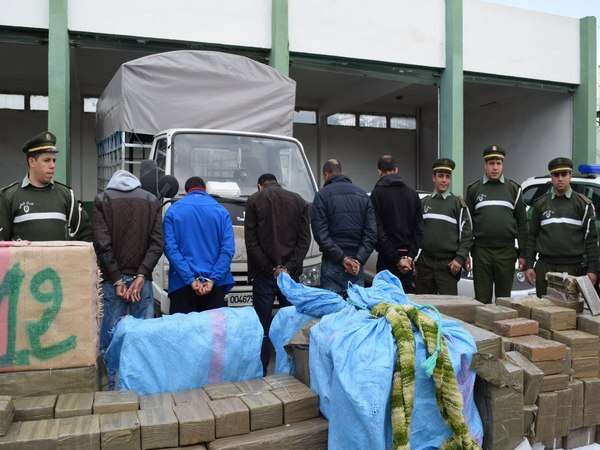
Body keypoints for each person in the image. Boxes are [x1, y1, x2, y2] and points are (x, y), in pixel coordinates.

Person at [245, 173, 311, 374]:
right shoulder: (299, 201)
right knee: (291, 324)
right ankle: (293, 371)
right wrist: (287, 268)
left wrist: (270, 268)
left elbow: (251, 241)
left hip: (264, 275)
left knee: (262, 326)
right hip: (290, 277)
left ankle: (262, 370)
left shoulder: (254, 200)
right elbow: (304, 241)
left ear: (260, 185)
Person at [93, 170, 163, 355]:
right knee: (143, 341)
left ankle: (111, 373)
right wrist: (141, 275)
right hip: (142, 283)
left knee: (110, 341)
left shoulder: (103, 200)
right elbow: (157, 244)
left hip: (112, 282)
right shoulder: (151, 200)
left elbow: (102, 244)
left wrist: (117, 279)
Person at [525, 157, 599, 297]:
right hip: (544, 267)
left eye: (564, 174)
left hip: (573, 269)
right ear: (551, 177)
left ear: (570, 176)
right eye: (556, 174)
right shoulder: (540, 204)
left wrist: (592, 270)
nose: (560, 178)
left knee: (569, 309)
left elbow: (591, 240)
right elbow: (532, 237)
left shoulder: (583, 205)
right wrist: (529, 265)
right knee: (543, 308)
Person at [0, 131, 91, 241]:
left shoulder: (66, 195)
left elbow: (85, 234)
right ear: (32, 162)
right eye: (47, 160)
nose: (52, 165)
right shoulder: (9, 196)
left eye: (54, 160)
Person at [466, 145, 528, 303]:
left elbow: (522, 224)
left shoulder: (514, 189)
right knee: (482, 301)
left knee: (504, 301)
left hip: (506, 252)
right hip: (481, 252)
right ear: (485, 165)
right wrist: (466, 253)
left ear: (502, 165)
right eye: (491, 163)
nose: (495, 168)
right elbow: (467, 225)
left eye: (498, 163)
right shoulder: (474, 189)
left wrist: (523, 254)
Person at [163, 176, 235, 313]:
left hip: (181, 285)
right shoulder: (221, 211)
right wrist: (212, 279)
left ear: (187, 190)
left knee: (183, 327)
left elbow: (170, 248)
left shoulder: (173, 211)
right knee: (213, 327)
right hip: (214, 286)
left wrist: (190, 279)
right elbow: (227, 249)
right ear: (205, 190)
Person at [311, 159, 377, 296]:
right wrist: (358, 259)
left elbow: (320, 234)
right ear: (340, 172)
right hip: (356, 264)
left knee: (332, 306)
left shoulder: (322, 196)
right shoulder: (363, 196)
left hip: (332, 261)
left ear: (326, 174)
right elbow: (371, 234)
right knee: (356, 305)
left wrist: (342, 258)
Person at [417, 158, 473, 295]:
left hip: (448, 265)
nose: (444, 180)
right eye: (440, 176)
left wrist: (459, 259)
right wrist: (415, 258)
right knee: (424, 305)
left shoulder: (458, 204)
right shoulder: (423, 203)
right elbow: (416, 232)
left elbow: (467, 234)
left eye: (447, 177)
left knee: (449, 306)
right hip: (425, 264)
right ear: (433, 178)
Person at [370, 155, 423, 293]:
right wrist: (410, 256)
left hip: (386, 260)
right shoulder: (412, 194)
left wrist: (396, 258)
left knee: (386, 302)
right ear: (397, 170)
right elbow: (419, 230)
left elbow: (377, 231)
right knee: (406, 302)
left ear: (379, 172)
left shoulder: (377, 194)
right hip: (408, 262)